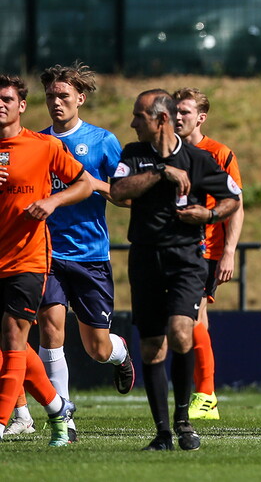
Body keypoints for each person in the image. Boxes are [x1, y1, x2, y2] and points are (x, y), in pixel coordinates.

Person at [110, 89, 241, 451]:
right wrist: (160, 173)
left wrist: (210, 214)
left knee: (182, 332)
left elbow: (233, 197)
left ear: (161, 119)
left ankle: (185, 420)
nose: (133, 122)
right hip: (145, 257)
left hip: (186, 259)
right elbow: (118, 192)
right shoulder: (134, 154)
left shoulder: (199, 159)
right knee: (152, 346)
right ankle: (163, 432)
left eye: (140, 116)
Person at [34, 63, 136, 444]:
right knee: (50, 329)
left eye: (63, 95)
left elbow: (127, 196)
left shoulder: (102, 141)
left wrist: (94, 184)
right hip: (47, 253)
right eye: (50, 96)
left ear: (81, 98)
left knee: (96, 347)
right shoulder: (37, 142)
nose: (56, 102)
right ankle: (63, 418)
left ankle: (119, 352)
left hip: (91, 255)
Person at [0, 74, 92, 445]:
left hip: (28, 260)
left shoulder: (43, 146)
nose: (0, 104)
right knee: (13, 348)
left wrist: (52, 201)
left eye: (7, 99)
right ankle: (57, 408)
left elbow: (84, 183)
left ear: (22, 106)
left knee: (12, 336)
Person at [173, 87, 245, 421]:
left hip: (207, 249)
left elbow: (236, 204)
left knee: (195, 316)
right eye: (175, 110)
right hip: (171, 247)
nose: (178, 117)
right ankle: (202, 391)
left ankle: (207, 394)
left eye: (185, 112)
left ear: (201, 117)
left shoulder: (218, 152)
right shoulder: (165, 152)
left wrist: (229, 251)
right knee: (185, 320)